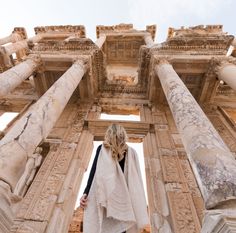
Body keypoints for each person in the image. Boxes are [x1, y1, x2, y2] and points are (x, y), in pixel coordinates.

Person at [80, 124, 149, 233]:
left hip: (106, 196)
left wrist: (86, 192)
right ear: (123, 135)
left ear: (108, 134)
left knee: (102, 226)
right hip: (124, 200)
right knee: (122, 228)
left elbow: (94, 174)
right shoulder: (131, 152)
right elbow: (137, 181)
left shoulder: (102, 149)